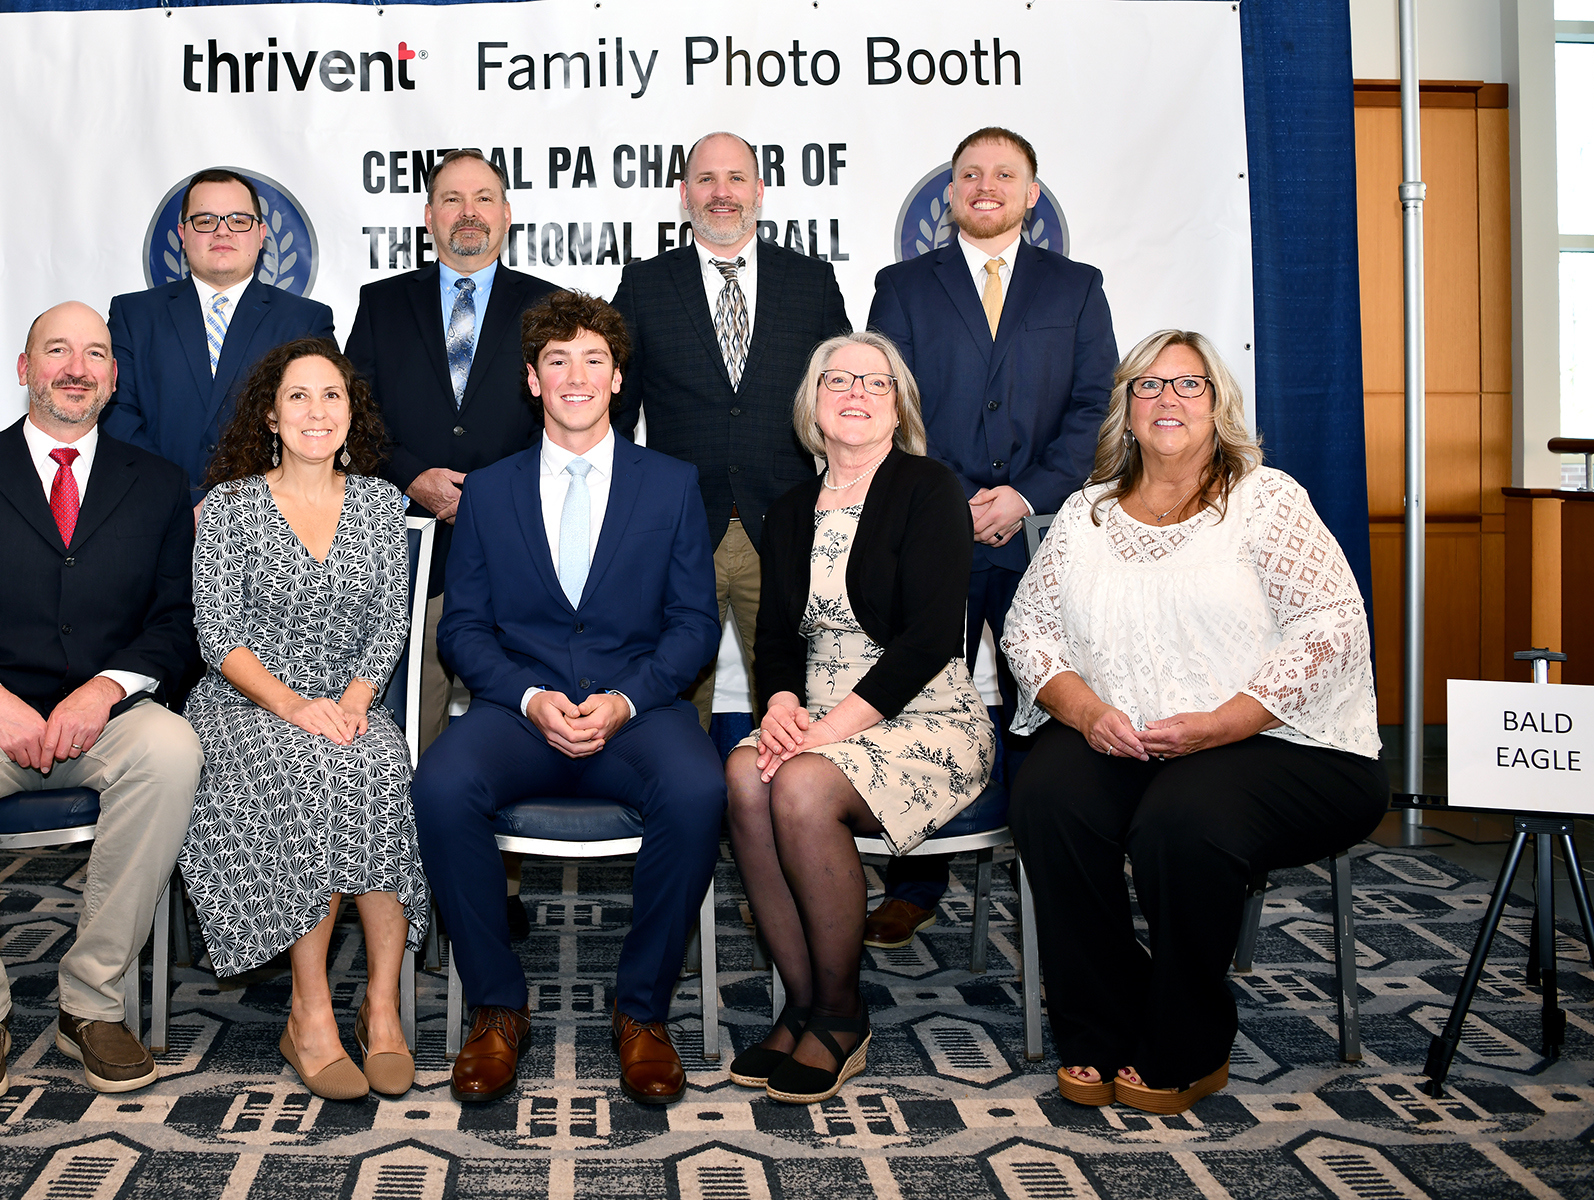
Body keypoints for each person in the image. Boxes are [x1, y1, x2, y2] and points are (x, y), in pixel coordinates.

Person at [1000, 330, 1387, 1115]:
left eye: (1188, 384)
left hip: (1282, 742)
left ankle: (1189, 1038)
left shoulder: (1266, 501)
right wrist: (1088, 712)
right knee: (1048, 797)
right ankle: (1103, 1020)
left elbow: (1332, 630)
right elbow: (1027, 632)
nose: (1167, 398)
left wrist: (1221, 724)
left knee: (1181, 821)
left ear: (1218, 405)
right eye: (1148, 385)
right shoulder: (1085, 514)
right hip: (1129, 738)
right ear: (1127, 409)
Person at [0, 301, 202, 1105]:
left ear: (113, 378)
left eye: (94, 354)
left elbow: (175, 621)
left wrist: (106, 688)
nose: (76, 368)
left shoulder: (159, 484)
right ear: (25, 369)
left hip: (106, 715)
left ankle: (92, 1001)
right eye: (56, 350)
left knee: (173, 751)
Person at [413, 291, 725, 1107]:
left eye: (594, 360)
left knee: (700, 788)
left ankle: (642, 1011)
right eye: (558, 361)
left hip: (638, 714)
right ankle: (496, 1005)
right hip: (520, 715)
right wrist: (527, 697)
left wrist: (626, 699)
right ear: (533, 379)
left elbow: (695, 624)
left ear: (618, 378)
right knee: (440, 785)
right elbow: (464, 630)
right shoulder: (489, 491)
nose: (576, 376)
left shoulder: (672, 484)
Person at [864, 126, 1118, 949]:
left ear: (1031, 193)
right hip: (933, 534)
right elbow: (886, 401)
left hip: (1039, 535)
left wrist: (1027, 494)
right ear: (950, 193)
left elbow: (1095, 406)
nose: (986, 186)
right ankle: (914, 881)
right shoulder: (903, 286)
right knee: (920, 703)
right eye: (970, 174)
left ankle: (1051, 866)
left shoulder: (1077, 287)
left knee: (1042, 707)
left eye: (1004, 174)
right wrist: (950, 500)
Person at [724, 331, 993, 1105]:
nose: (856, 393)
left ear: (899, 406)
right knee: (744, 774)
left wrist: (826, 730)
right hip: (817, 713)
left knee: (800, 784)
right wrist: (781, 703)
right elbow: (775, 640)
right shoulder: (789, 509)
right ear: (812, 404)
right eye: (837, 380)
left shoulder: (929, 488)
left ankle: (842, 1016)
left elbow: (930, 641)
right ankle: (804, 1002)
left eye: (876, 383)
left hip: (926, 714)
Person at [180, 338, 429, 1101]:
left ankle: (380, 1008)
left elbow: (390, 623)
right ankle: (310, 1013)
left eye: (332, 395)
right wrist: (293, 706)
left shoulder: (382, 503)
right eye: (298, 396)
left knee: (380, 766)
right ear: (271, 416)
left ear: (352, 414)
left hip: (350, 702)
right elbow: (218, 634)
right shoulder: (229, 508)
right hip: (245, 705)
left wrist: (352, 702)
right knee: (314, 770)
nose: (316, 411)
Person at [612, 131, 851, 731]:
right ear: (684, 194)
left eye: (736, 178)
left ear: (759, 191)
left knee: (797, 706)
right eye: (706, 179)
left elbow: (846, 399)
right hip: (677, 532)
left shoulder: (812, 281)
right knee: (668, 709)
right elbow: (614, 411)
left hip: (789, 528)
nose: (722, 193)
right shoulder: (644, 285)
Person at [346, 148, 561, 754]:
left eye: (483, 198)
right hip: (408, 546)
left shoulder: (549, 305)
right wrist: (413, 476)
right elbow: (353, 415)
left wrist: (489, 493)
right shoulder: (382, 303)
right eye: (452, 199)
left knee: (525, 723)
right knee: (413, 728)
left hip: (519, 543)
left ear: (506, 214)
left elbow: (568, 416)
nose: (469, 212)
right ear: (428, 216)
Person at [104, 168, 336, 504]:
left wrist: (239, 506)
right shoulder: (133, 315)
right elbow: (116, 414)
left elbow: (319, 420)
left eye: (239, 220)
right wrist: (176, 500)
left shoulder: (305, 320)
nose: (222, 231)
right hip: (154, 509)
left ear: (261, 234)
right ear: (183, 234)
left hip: (268, 516)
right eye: (205, 220)